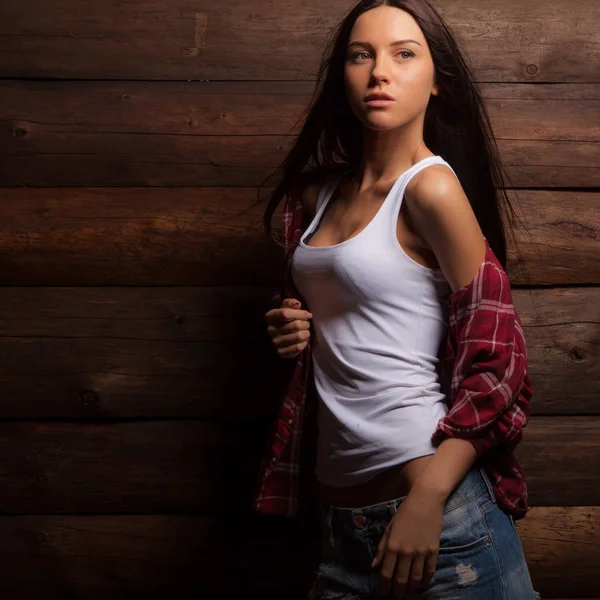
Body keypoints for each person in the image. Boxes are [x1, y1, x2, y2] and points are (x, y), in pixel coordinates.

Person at [255, 1, 541, 598]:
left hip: (440, 520)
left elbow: (502, 363)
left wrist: (429, 499)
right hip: (339, 528)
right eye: (362, 55)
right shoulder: (317, 197)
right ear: (344, 74)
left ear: (437, 81)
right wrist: (291, 325)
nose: (379, 72)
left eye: (403, 54)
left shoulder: (431, 188)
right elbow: (351, 313)